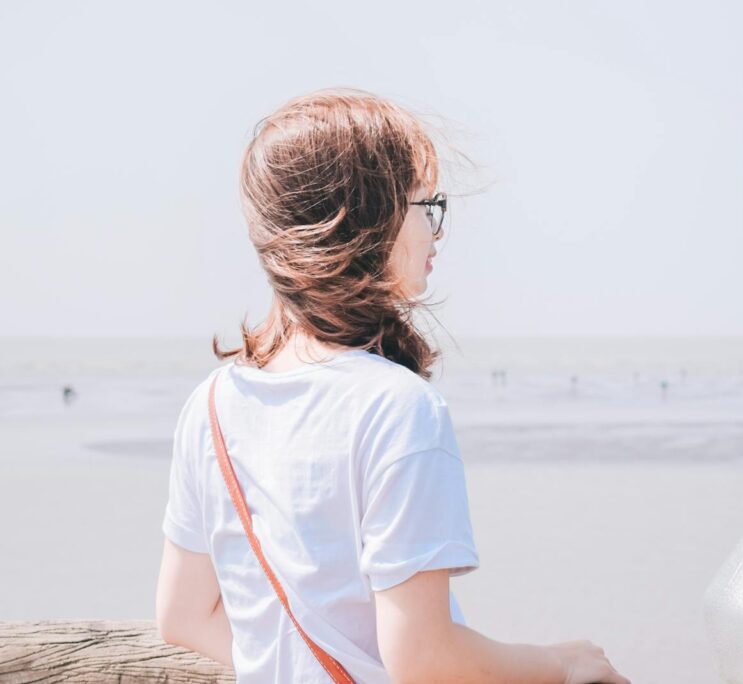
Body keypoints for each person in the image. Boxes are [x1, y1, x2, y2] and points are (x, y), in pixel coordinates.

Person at [154, 87, 630, 684]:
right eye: (421, 204)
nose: (436, 231)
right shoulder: (400, 408)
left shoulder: (213, 405)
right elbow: (425, 658)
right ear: (366, 222)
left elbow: (182, 616)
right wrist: (561, 663)